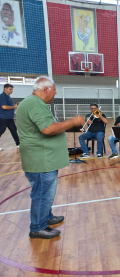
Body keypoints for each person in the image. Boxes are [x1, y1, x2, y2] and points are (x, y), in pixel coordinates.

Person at [16, 76, 85, 239]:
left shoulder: (35, 103)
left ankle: (46, 217)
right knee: (42, 193)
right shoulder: (34, 103)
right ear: (46, 89)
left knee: (44, 191)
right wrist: (72, 122)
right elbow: (48, 129)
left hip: (43, 157)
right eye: (54, 89)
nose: (55, 92)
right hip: (41, 159)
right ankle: (38, 227)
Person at [0, 83, 19, 149]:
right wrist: (14, 107)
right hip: (3, 118)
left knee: (14, 130)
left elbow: (9, 106)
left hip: (9, 118)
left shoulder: (8, 97)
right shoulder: (2, 96)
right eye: (10, 89)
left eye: (12, 89)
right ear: (5, 89)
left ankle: (18, 144)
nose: (12, 90)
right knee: (1, 131)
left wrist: (15, 105)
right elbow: (4, 107)